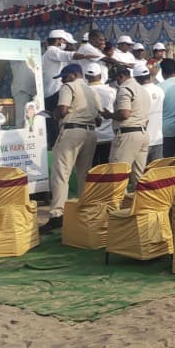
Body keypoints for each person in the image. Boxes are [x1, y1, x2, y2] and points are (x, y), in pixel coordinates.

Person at [46, 64, 101, 229]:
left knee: (61, 174)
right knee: (84, 175)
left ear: (74, 75)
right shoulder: (91, 91)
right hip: (90, 133)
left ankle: (58, 214)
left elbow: (62, 110)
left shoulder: (68, 86)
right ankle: (84, 213)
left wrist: (53, 114)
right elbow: (99, 119)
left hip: (72, 131)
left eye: (65, 76)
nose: (62, 80)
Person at [109, 64, 151, 186]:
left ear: (121, 76)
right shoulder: (142, 90)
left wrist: (109, 115)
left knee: (118, 174)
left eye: (116, 79)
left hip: (128, 134)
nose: (116, 83)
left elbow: (125, 113)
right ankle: (143, 199)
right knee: (138, 176)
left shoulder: (125, 89)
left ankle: (116, 199)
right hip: (143, 133)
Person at [41, 29, 77, 148]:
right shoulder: (53, 51)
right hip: (53, 93)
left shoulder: (54, 54)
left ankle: (56, 145)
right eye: (66, 42)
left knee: (54, 123)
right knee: (54, 122)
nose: (68, 45)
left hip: (51, 92)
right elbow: (68, 56)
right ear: (59, 40)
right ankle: (55, 146)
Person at [86, 63, 116, 166]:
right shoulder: (112, 91)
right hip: (109, 135)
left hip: (90, 135)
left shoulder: (82, 91)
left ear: (86, 76)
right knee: (106, 167)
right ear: (100, 76)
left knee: (91, 168)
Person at [136, 64, 164, 163]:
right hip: (158, 138)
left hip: (143, 139)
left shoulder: (138, 92)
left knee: (140, 170)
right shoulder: (160, 90)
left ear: (136, 79)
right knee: (156, 170)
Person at [9, 58, 38, 129]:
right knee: (21, 120)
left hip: (35, 90)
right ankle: (20, 135)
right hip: (22, 90)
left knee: (34, 119)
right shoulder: (18, 56)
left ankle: (31, 134)